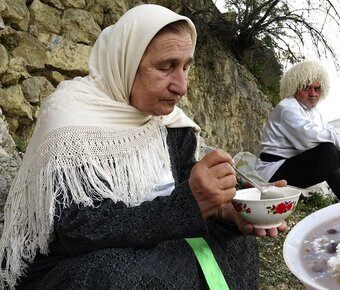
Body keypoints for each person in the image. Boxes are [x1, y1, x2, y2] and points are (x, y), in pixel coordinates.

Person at [0, 4, 286, 289]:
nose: (182, 86)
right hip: (76, 259)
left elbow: (185, 200)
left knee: (236, 243)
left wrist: (222, 211)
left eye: (186, 66)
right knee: (117, 275)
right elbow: (76, 229)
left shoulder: (172, 124)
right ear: (126, 61)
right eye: (167, 67)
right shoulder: (71, 121)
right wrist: (190, 205)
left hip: (153, 237)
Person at [256, 60, 340, 201]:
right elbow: (309, 139)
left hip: (294, 167)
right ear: (295, 87)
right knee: (327, 149)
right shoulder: (287, 107)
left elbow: (327, 132)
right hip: (275, 171)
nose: (313, 93)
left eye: (317, 89)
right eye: (307, 88)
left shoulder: (313, 112)